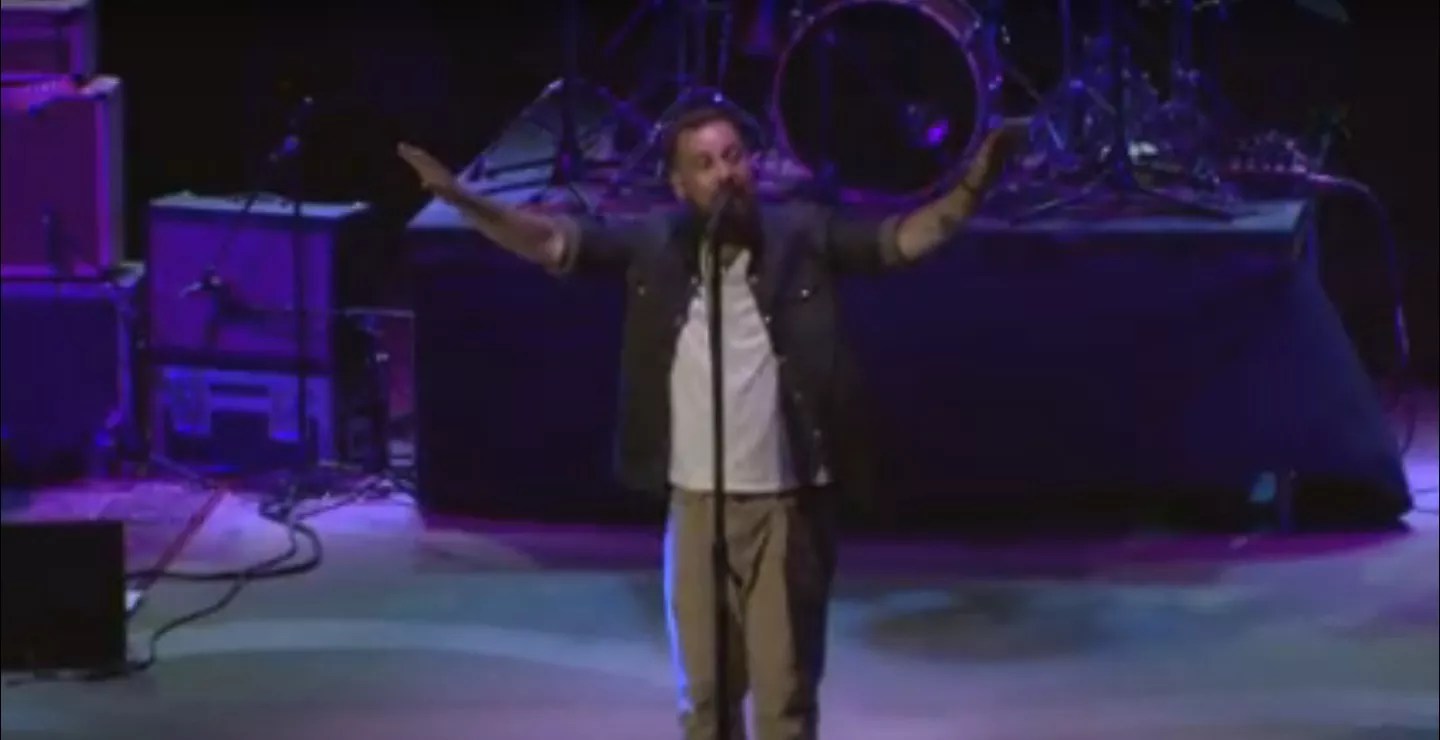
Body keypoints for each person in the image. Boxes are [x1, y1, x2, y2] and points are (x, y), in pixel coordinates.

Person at [398, 107, 1024, 740]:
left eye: (733, 156)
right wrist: (464, 201)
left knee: (784, 701)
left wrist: (973, 185)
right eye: (704, 164)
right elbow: (548, 242)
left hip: (786, 509)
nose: (725, 173)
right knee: (705, 700)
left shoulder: (801, 236)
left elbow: (906, 239)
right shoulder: (654, 246)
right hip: (697, 508)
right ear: (679, 185)